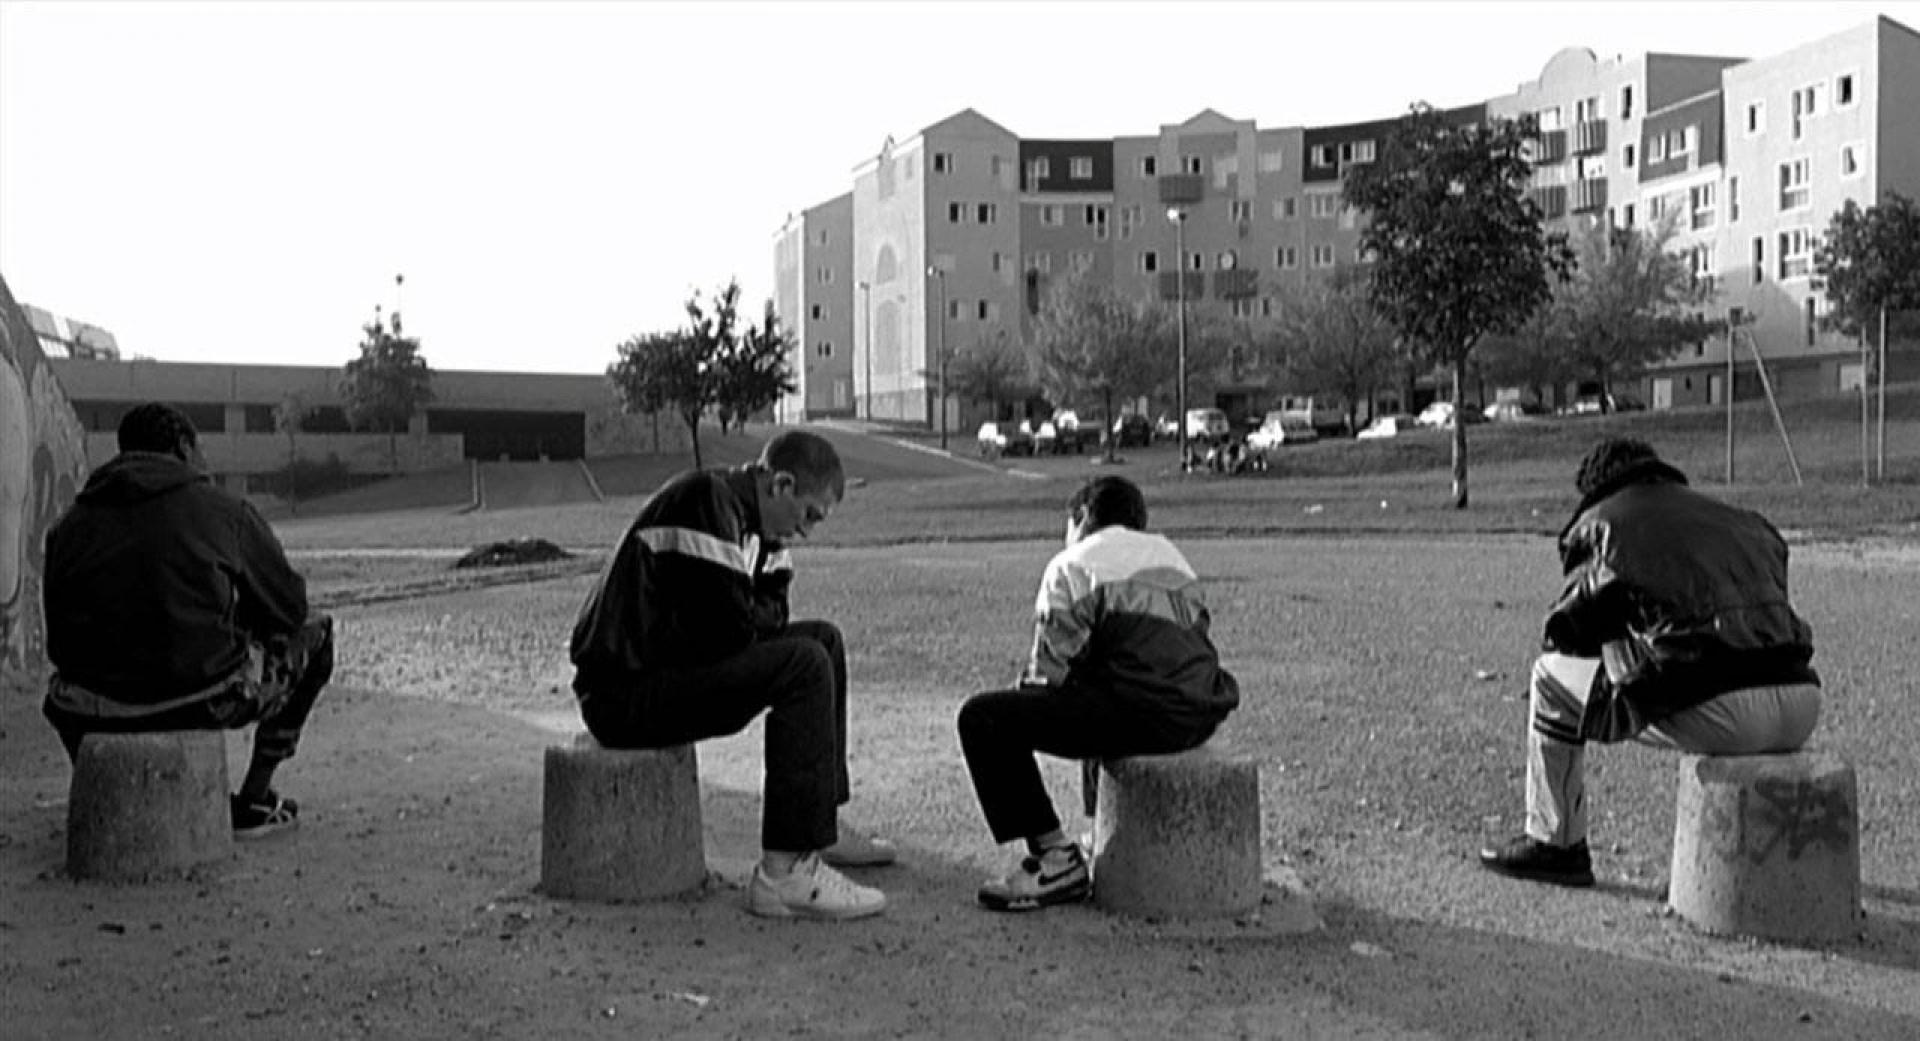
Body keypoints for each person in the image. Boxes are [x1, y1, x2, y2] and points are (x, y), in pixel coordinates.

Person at [569, 430, 893, 921]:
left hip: (666, 672)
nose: (807, 530)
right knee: (802, 665)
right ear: (780, 485)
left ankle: (818, 823)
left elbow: (765, 616)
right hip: (621, 695)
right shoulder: (706, 500)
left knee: (823, 640)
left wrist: (746, 604)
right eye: (809, 514)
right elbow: (727, 633)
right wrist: (747, 609)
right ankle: (784, 875)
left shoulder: (763, 530)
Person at [1479, 437, 1821, 887]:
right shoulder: (1735, 519)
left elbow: (1564, 630)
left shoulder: (1611, 522)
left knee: (1550, 679)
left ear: (1597, 490)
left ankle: (1555, 845)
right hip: (1801, 705)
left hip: (1726, 715)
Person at [43, 402, 333, 839]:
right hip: (202, 697)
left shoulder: (67, 526)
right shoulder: (222, 510)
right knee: (316, 631)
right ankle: (255, 797)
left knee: (67, 681)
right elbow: (289, 609)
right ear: (182, 446)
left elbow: (59, 643)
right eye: (199, 450)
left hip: (87, 707)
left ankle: (114, 800)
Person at [956, 475, 1241, 911]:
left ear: (1081, 519)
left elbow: (1047, 676)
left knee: (983, 719)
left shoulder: (1072, 564)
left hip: (1139, 716)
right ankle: (1096, 830)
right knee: (1107, 676)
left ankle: (1055, 856)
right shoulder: (1175, 562)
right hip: (1199, 713)